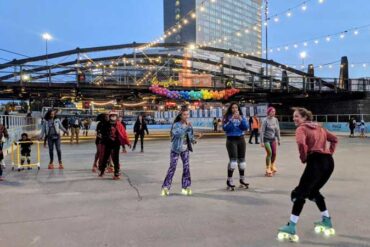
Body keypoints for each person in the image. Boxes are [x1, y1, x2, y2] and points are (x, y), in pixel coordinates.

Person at [277, 107, 338, 242]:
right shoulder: (320, 128)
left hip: (316, 161)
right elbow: (334, 139)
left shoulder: (301, 129)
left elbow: (301, 143)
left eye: (297, 116)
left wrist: (304, 157)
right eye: (294, 116)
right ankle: (326, 220)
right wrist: (329, 154)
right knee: (313, 191)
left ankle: (291, 226)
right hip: (329, 163)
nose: (294, 119)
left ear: (305, 118)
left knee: (299, 194)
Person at [161, 108, 196, 196]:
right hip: (175, 149)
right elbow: (178, 134)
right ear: (181, 115)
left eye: (187, 114)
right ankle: (166, 187)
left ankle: (186, 186)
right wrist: (186, 127)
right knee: (172, 167)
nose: (187, 116)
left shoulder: (188, 125)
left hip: (185, 149)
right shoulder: (176, 125)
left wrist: (193, 140)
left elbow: (190, 135)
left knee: (186, 167)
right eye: (185, 114)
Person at [223, 103, 249, 190]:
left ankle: (242, 180)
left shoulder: (242, 116)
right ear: (230, 109)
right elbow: (225, 128)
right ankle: (229, 180)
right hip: (231, 139)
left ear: (238, 109)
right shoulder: (227, 117)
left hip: (241, 139)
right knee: (233, 162)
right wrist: (231, 119)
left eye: (236, 107)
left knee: (242, 162)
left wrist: (241, 119)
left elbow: (245, 127)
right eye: (233, 107)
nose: (234, 109)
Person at [98, 111, 131, 180]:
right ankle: (102, 171)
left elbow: (124, 134)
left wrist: (128, 142)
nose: (113, 117)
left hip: (116, 143)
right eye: (112, 116)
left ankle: (116, 173)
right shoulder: (106, 124)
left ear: (116, 117)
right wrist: (103, 137)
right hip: (108, 143)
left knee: (116, 159)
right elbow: (102, 133)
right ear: (110, 117)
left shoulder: (119, 124)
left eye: (114, 116)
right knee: (105, 157)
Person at [260, 107, 281, 177]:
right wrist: (262, 141)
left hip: (273, 139)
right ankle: (267, 168)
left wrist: (279, 139)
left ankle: (272, 165)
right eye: (272, 111)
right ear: (268, 112)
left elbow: (277, 130)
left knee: (274, 153)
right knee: (269, 153)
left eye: (274, 111)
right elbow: (262, 131)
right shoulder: (265, 120)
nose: (274, 113)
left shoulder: (275, 120)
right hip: (266, 139)